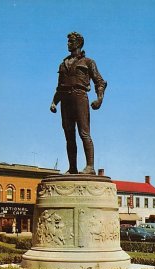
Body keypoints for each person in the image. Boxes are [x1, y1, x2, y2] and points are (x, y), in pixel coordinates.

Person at [50, 32, 107, 175]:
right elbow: (60, 87)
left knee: (84, 133)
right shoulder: (63, 64)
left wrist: (99, 99)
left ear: (79, 44)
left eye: (71, 41)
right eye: (68, 41)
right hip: (65, 100)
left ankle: (90, 167)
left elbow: (100, 82)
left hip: (80, 97)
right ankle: (73, 167)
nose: (68, 44)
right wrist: (54, 102)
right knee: (69, 135)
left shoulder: (88, 62)